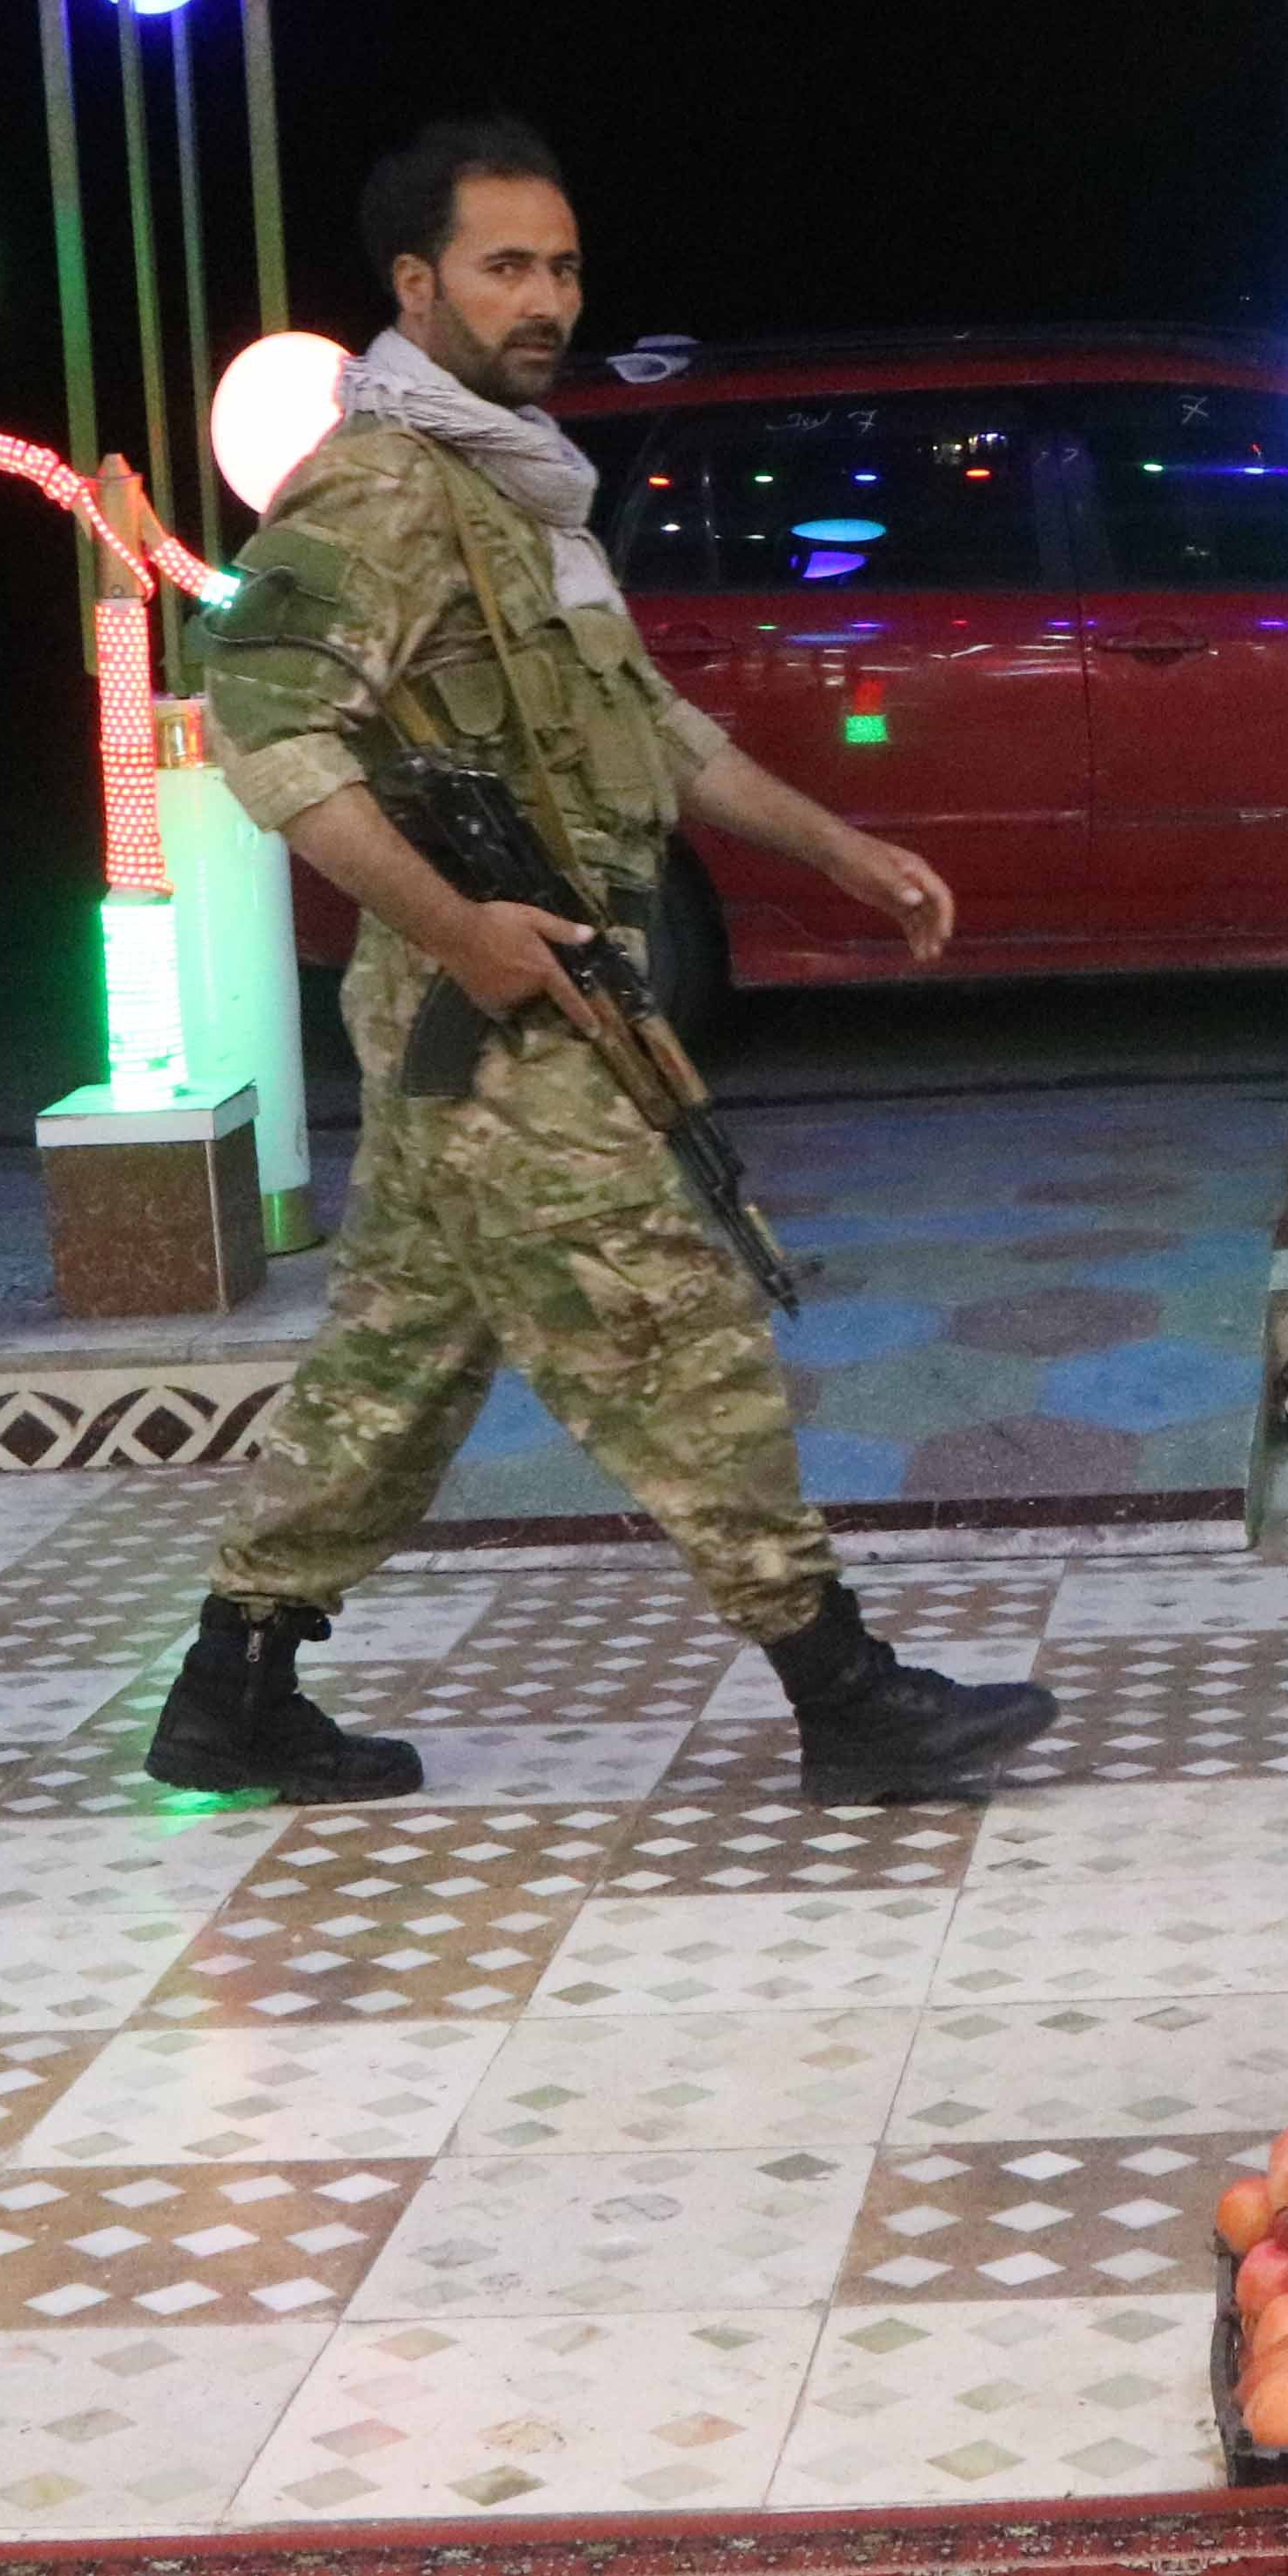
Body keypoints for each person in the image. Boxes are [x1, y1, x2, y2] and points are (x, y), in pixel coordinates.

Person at [153, 113, 1061, 1805]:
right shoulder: (381, 484)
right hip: (496, 1011)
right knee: (672, 1319)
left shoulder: (520, 488)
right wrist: (460, 931)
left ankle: (234, 1685)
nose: (544, 297)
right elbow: (271, 735)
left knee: (400, 1363)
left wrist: (845, 853)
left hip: (521, 999)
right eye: (505, 267)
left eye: (561, 265)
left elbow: (655, 735)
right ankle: (843, 1689)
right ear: (414, 284)